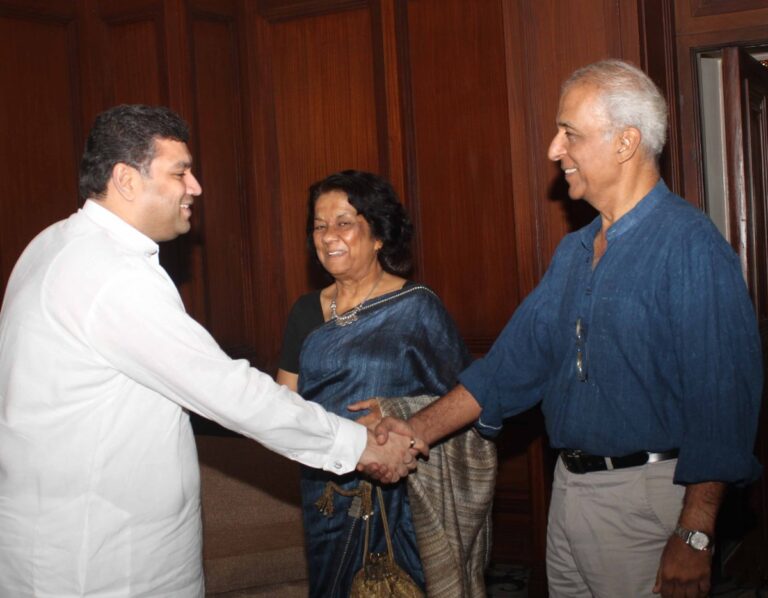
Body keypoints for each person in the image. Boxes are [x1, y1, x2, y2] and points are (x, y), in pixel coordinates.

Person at [373, 59, 763, 598]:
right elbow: (509, 369)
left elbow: (723, 402)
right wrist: (412, 431)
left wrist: (694, 533)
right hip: (570, 493)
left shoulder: (691, 247)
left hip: (648, 503)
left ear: (626, 143)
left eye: (570, 134)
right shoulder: (575, 251)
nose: (555, 150)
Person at [0, 105, 416, 598]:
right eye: (180, 171)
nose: (194, 186)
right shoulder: (112, 275)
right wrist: (357, 445)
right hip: (107, 562)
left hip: (62, 542)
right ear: (126, 180)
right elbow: (228, 391)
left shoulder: (54, 243)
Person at [276, 169, 497, 597]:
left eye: (344, 222)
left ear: (378, 234)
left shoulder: (417, 308)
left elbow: (469, 401)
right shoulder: (305, 311)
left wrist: (399, 414)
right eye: (319, 226)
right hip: (325, 495)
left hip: (401, 496)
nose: (328, 236)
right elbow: (283, 404)